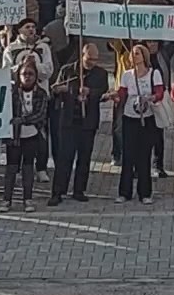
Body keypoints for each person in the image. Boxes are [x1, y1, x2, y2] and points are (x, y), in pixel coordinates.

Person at [50, 42, 108, 206]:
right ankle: (58, 191)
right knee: (64, 158)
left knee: (84, 158)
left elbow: (102, 91)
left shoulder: (100, 73)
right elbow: (57, 89)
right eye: (89, 59)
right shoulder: (68, 70)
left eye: (95, 60)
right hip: (68, 120)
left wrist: (90, 93)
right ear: (83, 55)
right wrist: (64, 91)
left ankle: (79, 190)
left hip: (87, 122)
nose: (92, 63)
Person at [113, 44, 164, 205]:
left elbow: (160, 93)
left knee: (144, 155)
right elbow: (122, 93)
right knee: (128, 155)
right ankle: (124, 192)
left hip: (146, 118)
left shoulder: (153, 74)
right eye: (132, 54)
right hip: (130, 117)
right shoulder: (127, 75)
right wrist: (113, 96)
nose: (134, 56)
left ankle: (145, 192)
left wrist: (149, 98)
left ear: (144, 56)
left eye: (137, 53)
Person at [2, 58, 50, 212]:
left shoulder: (41, 94)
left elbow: (40, 115)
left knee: (28, 167)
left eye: (30, 74)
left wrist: (22, 120)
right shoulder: (12, 93)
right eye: (24, 74)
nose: (27, 77)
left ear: (36, 76)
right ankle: (6, 200)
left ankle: (27, 199)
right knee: (11, 168)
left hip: (32, 134)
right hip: (14, 136)